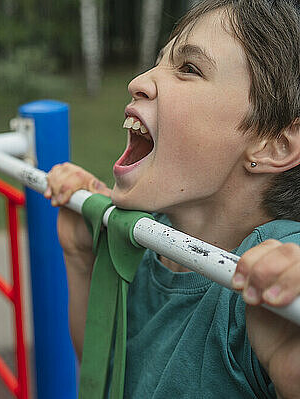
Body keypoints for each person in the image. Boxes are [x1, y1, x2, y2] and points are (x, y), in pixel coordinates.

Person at [43, 0, 300, 397]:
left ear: (275, 145)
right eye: (159, 61)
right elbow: (106, 369)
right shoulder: (148, 236)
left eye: (189, 68)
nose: (139, 80)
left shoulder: (279, 266)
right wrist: (81, 259)